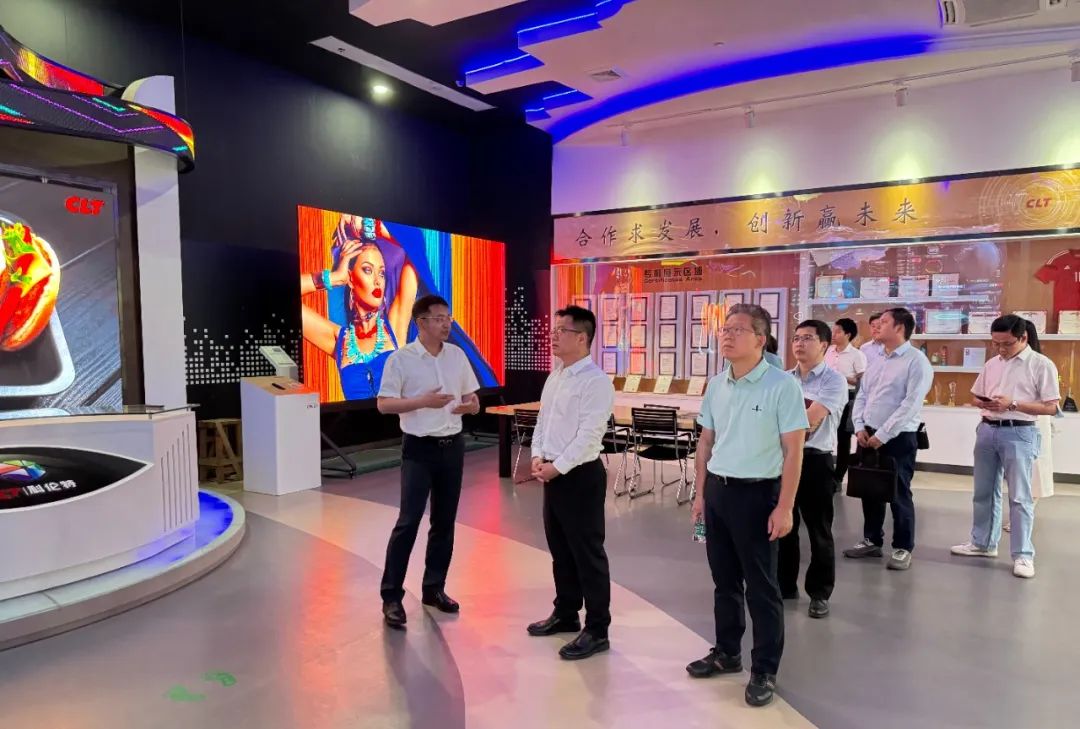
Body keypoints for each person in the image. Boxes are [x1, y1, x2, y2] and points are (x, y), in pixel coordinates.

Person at [686, 304, 808, 708]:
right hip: (718, 493)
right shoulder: (717, 384)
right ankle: (727, 653)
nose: (727, 335)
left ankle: (764, 669)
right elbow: (706, 441)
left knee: (761, 587)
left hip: (758, 496)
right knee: (724, 582)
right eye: (725, 329)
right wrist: (701, 495)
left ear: (761, 339)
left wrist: (785, 507)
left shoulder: (782, 386)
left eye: (738, 329)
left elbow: (794, 451)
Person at [376, 295, 480, 629]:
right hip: (419, 449)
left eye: (448, 318)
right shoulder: (401, 359)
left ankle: (434, 588)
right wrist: (422, 402)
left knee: (444, 522)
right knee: (408, 522)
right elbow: (384, 405)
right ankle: (391, 596)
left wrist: (471, 406)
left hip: (453, 447)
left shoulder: (457, 356)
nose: (446, 324)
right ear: (420, 322)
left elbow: (473, 398)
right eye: (438, 318)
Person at [527, 305, 615, 661]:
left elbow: (589, 436)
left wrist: (557, 467)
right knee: (560, 550)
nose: (553, 335)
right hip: (552, 473)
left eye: (561, 330)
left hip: (579, 476)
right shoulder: (556, 376)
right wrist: (537, 455)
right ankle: (566, 612)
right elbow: (543, 422)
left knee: (587, 553)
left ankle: (597, 628)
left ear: (582, 337)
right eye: (554, 329)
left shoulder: (596, 382)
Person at [950, 316, 1059, 579]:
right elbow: (976, 394)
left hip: (1020, 432)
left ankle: (1023, 554)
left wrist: (1013, 404)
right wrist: (982, 402)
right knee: (984, 492)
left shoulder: (1041, 364)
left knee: (1020, 496)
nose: (1000, 349)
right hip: (988, 429)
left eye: (1006, 344)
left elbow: (1051, 407)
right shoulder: (992, 364)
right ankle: (983, 543)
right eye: (995, 343)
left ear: (1023, 338)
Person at [843, 308, 933, 571]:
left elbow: (910, 405)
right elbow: (862, 395)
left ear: (900, 328)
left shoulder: (916, 361)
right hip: (868, 434)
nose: (877, 326)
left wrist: (883, 435)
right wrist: (860, 426)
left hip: (898, 437)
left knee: (898, 492)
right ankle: (872, 540)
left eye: (883, 322)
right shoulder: (876, 358)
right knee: (869, 489)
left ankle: (903, 547)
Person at [301, 215, 418, 400]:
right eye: (367, 270)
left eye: (382, 273)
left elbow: (416, 247)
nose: (378, 281)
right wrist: (334, 278)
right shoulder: (338, 340)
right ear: (351, 279)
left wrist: (367, 226)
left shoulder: (395, 326)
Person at [778, 320, 848, 619]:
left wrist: (782, 424)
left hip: (816, 460)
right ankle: (784, 584)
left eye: (807, 338)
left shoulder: (834, 381)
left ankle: (819, 593)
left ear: (824, 344)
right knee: (783, 525)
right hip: (782, 459)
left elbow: (810, 419)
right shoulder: (783, 379)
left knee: (819, 530)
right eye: (796, 338)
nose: (799, 343)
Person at [825, 318, 867, 483]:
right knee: (825, 434)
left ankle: (838, 477)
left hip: (848, 398)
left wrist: (841, 378)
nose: (833, 334)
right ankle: (825, 474)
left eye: (838, 332)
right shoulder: (828, 351)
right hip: (827, 397)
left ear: (848, 334)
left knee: (843, 438)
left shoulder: (857, 355)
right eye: (833, 331)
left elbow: (862, 382)